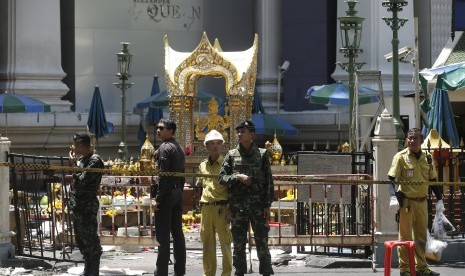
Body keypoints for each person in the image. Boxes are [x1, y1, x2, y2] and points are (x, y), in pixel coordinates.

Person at [219, 120, 274, 276]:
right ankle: (240, 271)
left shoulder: (262, 154)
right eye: (238, 131)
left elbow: (268, 181)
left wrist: (267, 204)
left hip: (257, 205)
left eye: (243, 131)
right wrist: (237, 177)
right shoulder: (231, 155)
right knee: (238, 242)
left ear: (252, 134)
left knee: (262, 240)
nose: (239, 134)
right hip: (238, 206)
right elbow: (222, 178)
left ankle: (266, 270)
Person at [388, 128, 443, 276]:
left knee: (421, 237)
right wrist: (393, 197)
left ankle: (421, 268)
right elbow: (391, 180)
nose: (412, 141)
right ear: (406, 140)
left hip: (423, 202)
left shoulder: (428, 157)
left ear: (421, 140)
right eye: (409, 138)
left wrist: (440, 199)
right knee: (405, 238)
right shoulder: (400, 157)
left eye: (415, 138)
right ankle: (404, 269)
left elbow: (432, 180)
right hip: (407, 203)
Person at [153, 118, 186, 276]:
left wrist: (158, 198)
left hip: (167, 194)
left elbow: (163, 176)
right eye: (158, 128)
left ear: (171, 131)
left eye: (162, 128)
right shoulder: (178, 147)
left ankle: (162, 271)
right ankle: (180, 270)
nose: (158, 130)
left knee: (163, 236)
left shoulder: (166, 148)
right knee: (177, 233)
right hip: (177, 192)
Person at [196, 129, 232, 276]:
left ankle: (226, 273)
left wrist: (230, 209)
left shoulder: (227, 164)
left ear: (222, 146)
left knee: (225, 244)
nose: (215, 146)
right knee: (207, 244)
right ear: (207, 146)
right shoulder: (202, 165)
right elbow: (201, 184)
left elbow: (232, 189)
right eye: (212, 143)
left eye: (218, 143)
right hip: (206, 208)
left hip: (222, 208)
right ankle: (209, 273)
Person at [68, 132, 104, 276]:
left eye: (76, 145)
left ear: (82, 145)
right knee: (80, 238)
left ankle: (93, 271)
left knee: (90, 238)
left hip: (87, 205)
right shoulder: (83, 159)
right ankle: (88, 268)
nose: (74, 148)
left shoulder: (95, 161)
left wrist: (74, 164)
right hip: (78, 204)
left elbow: (83, 180)